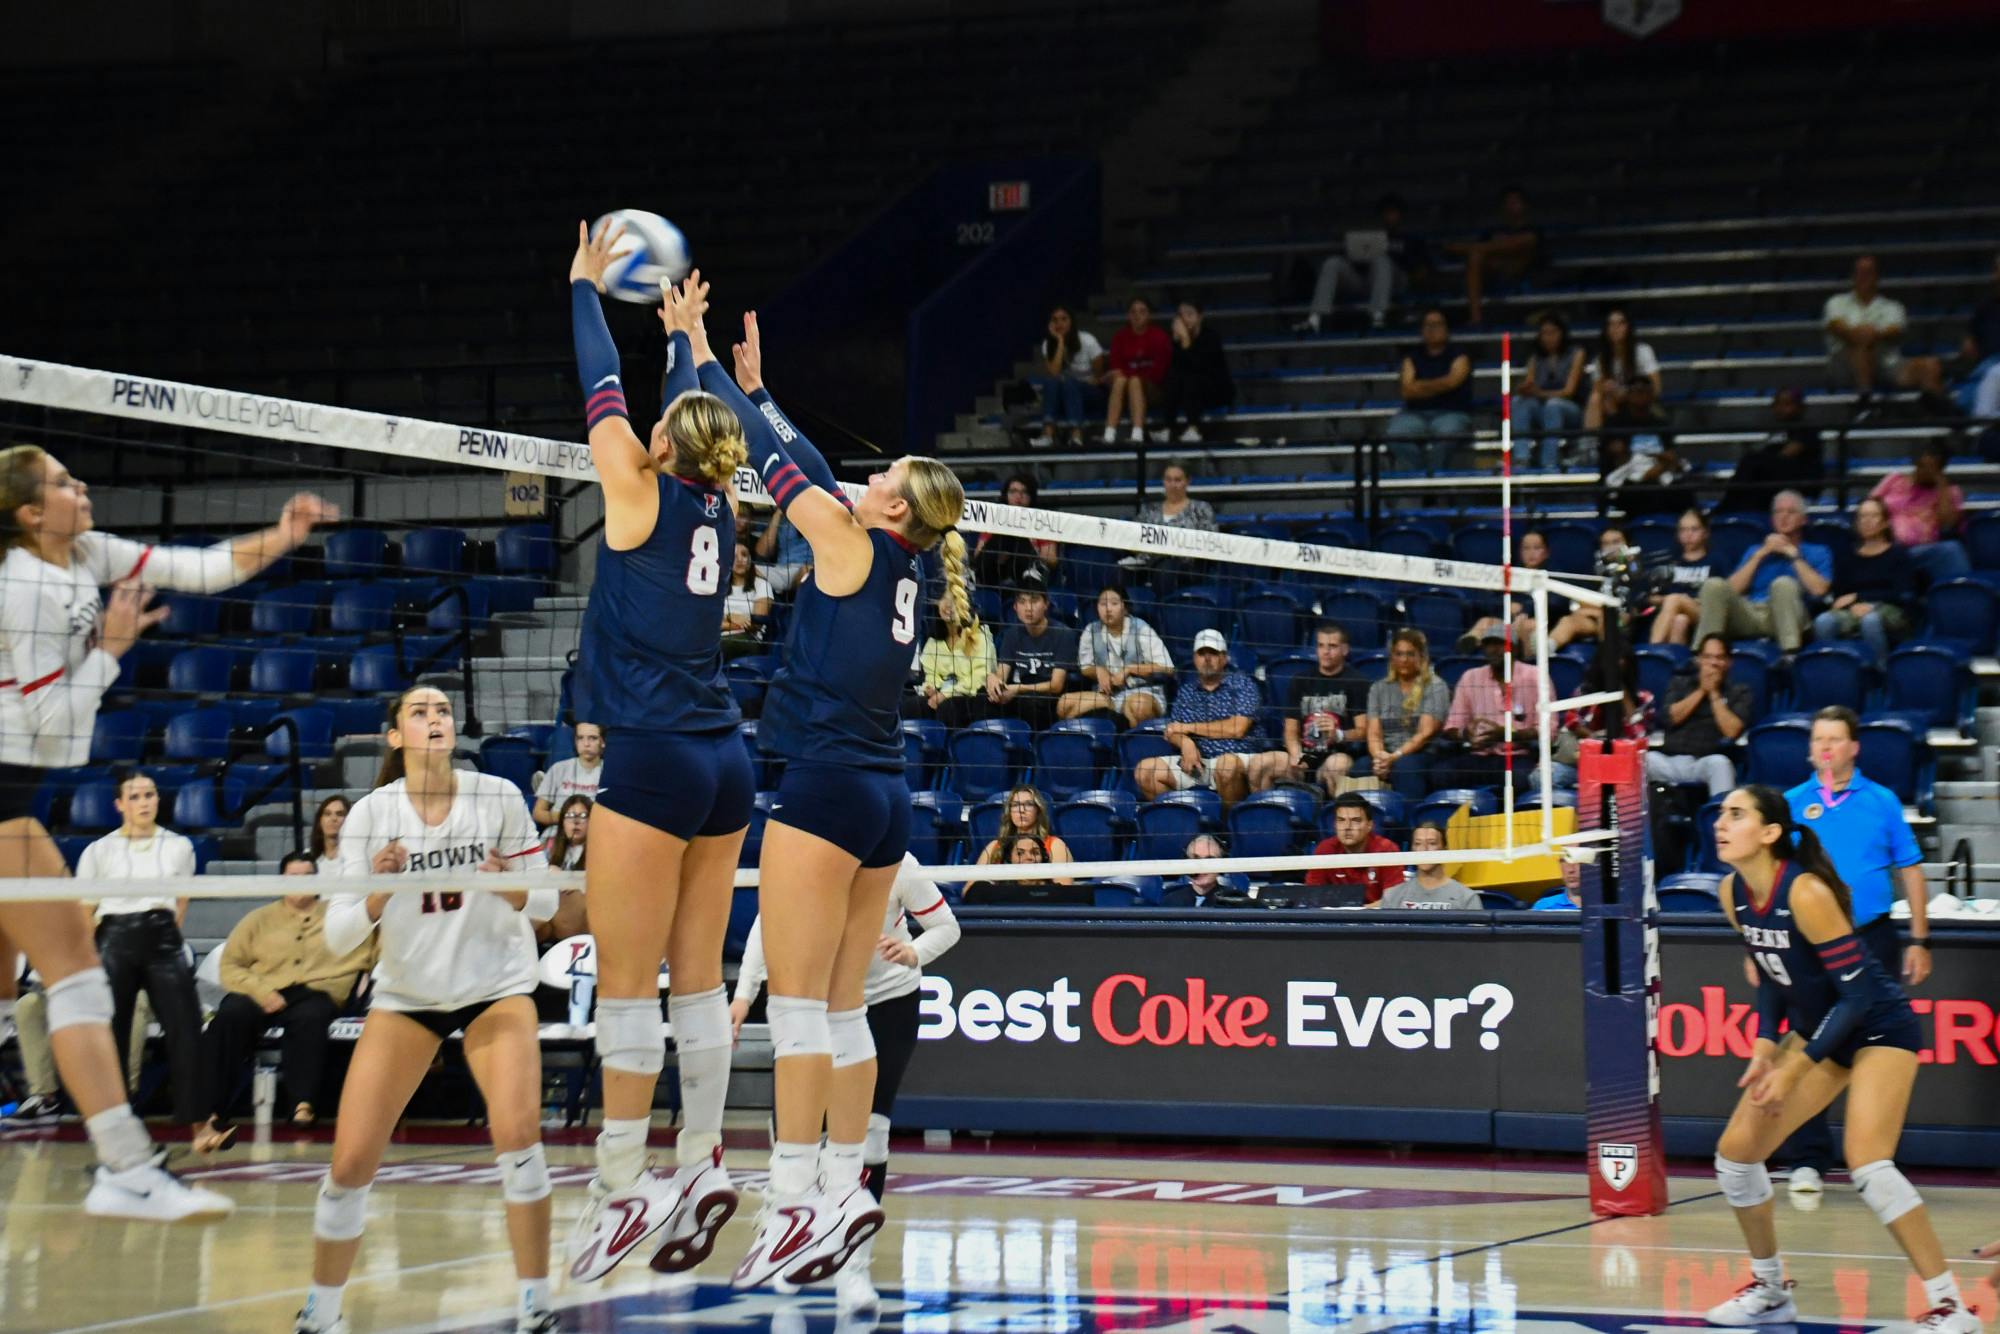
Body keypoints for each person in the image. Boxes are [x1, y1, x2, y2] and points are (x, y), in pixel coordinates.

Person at [705, 298, 965, 1290]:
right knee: (844, 1005)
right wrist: (763, 386)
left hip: (819, 784)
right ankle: (848, 1190)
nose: (867, 475)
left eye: (883, 475)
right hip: (881, 794)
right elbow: (810, 468)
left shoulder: (846, 540)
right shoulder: (889, 554)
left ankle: (788, 1206)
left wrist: (700, 363)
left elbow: (781, 474)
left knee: (800, 1009)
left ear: (895, 505)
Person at [0, 441, 327, 1222]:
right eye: (63, 483)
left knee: (62, 972)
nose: (83, 487)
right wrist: (113, 648)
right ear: (29, 513)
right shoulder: (24, 586)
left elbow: (202, 569)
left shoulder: (84, 550)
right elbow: (48, 719)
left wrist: (281, 536)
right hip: (8, 785)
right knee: (74, 972)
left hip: (15, 792)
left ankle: (123, 1166)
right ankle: (122, 1166)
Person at [561, 248, 755, 1287]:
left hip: (653, 757)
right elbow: (685, 414)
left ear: (663, 441)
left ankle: (619, 1187)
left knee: (626, 987)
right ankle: (700, 1158)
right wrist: (682, 337)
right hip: (723, 756)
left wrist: (584, 290)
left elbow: (598, 386)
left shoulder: (633, 499)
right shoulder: (716, 505)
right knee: (698, 978)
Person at [296, 686, 560, 1334]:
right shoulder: (369, 816)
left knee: (519, 1140)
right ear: (395, 737)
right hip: (410, 996)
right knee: (349, 1162)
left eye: (443, 709)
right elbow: (337, 938)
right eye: (420, 711)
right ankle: (321, 1313)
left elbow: (549, 906)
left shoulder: (496, 796)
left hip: (495, 987)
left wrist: (510, 880)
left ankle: (534, 1305)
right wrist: (379, 894)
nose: (435, 718)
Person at [1702, 785, 1975, 1334]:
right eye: (1721, 815)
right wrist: (1762, 1043)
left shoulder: (1805, 892)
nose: (1721, 824)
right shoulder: (1732, 893)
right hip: (1820, 1028)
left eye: (1737, 815)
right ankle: (1772, 1290)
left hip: (1877, 1025)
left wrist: (1795, 1069)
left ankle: (1951, 1308)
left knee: (1869, 1164)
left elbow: (1856, 997)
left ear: (1772, 832)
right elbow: (1774, 975)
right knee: (1736, 1159)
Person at [730, 851, 959, 1310]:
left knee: (870, 1134)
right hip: (815, 1000)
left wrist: (915, 952)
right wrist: (743, 994)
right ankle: (793, 1245)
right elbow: (767, 923)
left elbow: (947, 927)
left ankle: (855, 1266)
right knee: (795, 1130)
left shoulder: (898, 863)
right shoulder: (811, 849)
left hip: (887, 1003)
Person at [1775, 706, 1933, 1198]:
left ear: (1854, 747)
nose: (1825, 747)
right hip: (1810, 942)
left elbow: (1909, 870)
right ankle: (1808, 1161)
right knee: (1810, 1039)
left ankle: (1874, 1159)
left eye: (1835, 739)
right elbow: (1775, 876)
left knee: (1875, 1042)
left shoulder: (1881, 800)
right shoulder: (1792, 802)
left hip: (1872, 937)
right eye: (1818, 739)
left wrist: (1920, 938)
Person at [193, 855, 374, 1152]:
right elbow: (231, 965)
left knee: (310, 1017)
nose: (300, 882)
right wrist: (260, 990)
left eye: (307, 875)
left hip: (318, 989)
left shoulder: (337, 915)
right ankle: (213, 1109)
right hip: (265, 988)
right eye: (293, 875)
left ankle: (303, 1104)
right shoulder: (258, 919)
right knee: (231, 1015)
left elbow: (369, 946)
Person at [80, 773, 207, 1145]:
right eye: (135, 796)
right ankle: (114, 1129)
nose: (144, 802)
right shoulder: (98, 851)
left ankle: (200, 1125)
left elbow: (180, 904)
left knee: (186, 1028)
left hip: (162, 937)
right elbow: (86, 912)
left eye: (150, 794)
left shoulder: (178, 846)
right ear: (120, 804)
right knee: (111, 1036)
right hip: (113, 938)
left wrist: (166, 938)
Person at [1133, 630, 1263, 805]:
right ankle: (1183, 826)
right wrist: (1186, 743)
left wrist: (1188, 729)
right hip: (1196, 763)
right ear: (1195, 659)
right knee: (1145, 770)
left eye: (1213, 653)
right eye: (1202, 653)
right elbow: (1173, 730)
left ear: (1224, 658)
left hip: (1236, 758)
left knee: (1227, 765)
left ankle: (1224, 830)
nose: (1207, 658)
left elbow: (1237, 729)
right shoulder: (1186, 691)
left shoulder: (1243, 684)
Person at [1694, 490, 1832, 652]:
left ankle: (1790, 654)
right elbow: (1731, 589)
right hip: (1752, 613)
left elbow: (1820, 590)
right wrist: (1760, 555)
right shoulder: (1755, 550)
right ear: (1772, 519)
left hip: (1790, 616)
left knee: (1783, 584)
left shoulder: (1818, 551)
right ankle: (1700, 654)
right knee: (1713, 585)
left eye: (1791, 512)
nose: (1784, 517)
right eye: (1778, 512)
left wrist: (1793, 555)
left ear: (1803, 519)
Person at [1250, 620, 1372, 797]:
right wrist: (1295, 754)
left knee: (1337, 767)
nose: (1326, 651)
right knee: (1259, 764)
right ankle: (1267, 815)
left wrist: (1339, 734)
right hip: (1303, 756)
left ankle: (1332, 820)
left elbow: (1363, 731)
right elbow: (1291, 729)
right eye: (1321, 645)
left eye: (1332, 646)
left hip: (1337, 754)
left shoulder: (1358, 682)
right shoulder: (1300, 681)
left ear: (1345, 650)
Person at [1822, 253, 1953, 416]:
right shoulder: (1836, 302)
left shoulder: (1892, 307)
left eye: (1869, 272)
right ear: (1853, 276)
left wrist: (1869, 334)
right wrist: (1867, 335)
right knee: (1861, 347)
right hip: (1846, 367)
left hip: (1885, 364)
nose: (1864, 277)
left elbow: (1895, 331)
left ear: (1877, 276)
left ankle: (1939, 414)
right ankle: (1866, 401)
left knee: (1930, 364)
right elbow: (1837, 327)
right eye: (1860, 272)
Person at [1296, 192, 1432, 333]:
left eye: (1393, 212)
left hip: (1396, 282)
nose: (1389, 217)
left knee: (1382, 260)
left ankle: (1378, 316)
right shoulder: (1369, 236)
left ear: (1401, 215)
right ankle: (1315, 318)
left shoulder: (1411, 239)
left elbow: (1422, 268)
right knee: (1333, 262)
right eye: (1386, 213)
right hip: (1366, 281)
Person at [1531, 646, 1651, 795]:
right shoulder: (1585, 692)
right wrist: (1593, 739)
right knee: (1540, 776)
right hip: (1582, 762)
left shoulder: (1643, 698)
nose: (1613, 666)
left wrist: (1623, 694)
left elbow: (1639, 737)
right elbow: (1571, 720)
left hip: (1620, 767)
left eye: (1619, 660)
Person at [1644, 635, 1753, 798]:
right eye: (1707, 657)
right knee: (1643, 760)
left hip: (1704, 762)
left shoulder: (1739, 691)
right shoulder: (1679, 683)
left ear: (1729, 662)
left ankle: (1721, 819)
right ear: (1698, 660)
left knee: (1720, 764)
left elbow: (1732, 731)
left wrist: (1714, 694)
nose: (1713, 663)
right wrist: (1702, 690)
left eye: (1719, 657)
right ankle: (1635, 821)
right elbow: (1670, 717)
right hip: (1668, 760)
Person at [1811, 498, 1915, 664]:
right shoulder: (1846, 556)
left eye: (1873, 516)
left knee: (1870, 620)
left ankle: (1881, 672)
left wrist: (1862, 599)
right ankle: (1834, 671)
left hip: (1889, 608)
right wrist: (1852, 604)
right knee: (1823, 621)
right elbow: (1840, 594)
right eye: (1863, 517)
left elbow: (1902, 592)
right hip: (1853, 609)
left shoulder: (1898, 555)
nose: (1867, 521)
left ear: (1885, 522)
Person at [1440, 628, 1545, 789]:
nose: (1494, 649)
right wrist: (1467, 733)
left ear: (1515, 648)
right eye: (1488, 644)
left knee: (1521, 779)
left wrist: (1508, 735)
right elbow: (1451, 728)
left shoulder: (1536, 676)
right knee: (1442, 773)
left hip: (1518, 755)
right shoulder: (1470, 677)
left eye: (1500, 644)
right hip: (1479, 755)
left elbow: (1547, 730)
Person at [1060, 584, 1173, 728]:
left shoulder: (1141, 628)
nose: (1108, 609)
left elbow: (1167, 668)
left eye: (1114, 603)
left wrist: (1130, 669)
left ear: (1125, 608)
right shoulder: (1091, 631)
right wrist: (1098, 670)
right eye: (1102, 604)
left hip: (1143, 691)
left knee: (1139, 706)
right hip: (1108, 695)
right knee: (1065, 704)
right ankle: (1111, 725)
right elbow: (1085, 666)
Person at [1868, 441, 1972, 588]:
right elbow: (1868, 507)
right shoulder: (1894, 480)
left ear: (1940, 469)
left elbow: (1948, 523)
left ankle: (1962, 597)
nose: (1924, 471)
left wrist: (1940, 483)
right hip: (1886, 546)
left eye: (1931, 468)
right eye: (1921, 465)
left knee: (1952, 549)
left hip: (1920, 550)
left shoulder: (1949, 492)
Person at [985, 567, 1077, 731]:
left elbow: (1056, 685)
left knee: (1030, 703)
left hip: (1048, 697)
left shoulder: (1063, 634)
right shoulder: (1011, 634)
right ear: (1015, 607)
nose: (1028, 608)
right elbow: (1002, 674)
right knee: (985, 699)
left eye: (1034, 601)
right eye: (1022, 602)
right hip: (1020, 695)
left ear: (1046, 604)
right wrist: (993, 680)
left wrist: (1018, 689)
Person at [1384, 306, 1473, 472]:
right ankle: (1420, 474)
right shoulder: (1412, 357)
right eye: (1428, 325)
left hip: (1451, 412)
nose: (1432, 329)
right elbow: (1406, 390)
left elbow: (1453, 382)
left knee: (1448, 434)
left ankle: (1434, 478)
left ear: (1446, 328)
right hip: (1414, 414)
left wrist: (1420, 385)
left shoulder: (1459, 355)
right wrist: (1441, 384)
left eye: (1437, 324)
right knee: (1395, 433)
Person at [1366, 628, 1451, 799]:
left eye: (1410, 654)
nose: (1404, 659)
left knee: (1406, 766)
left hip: (1424, 754)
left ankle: (1408, 821)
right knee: (1359, 767)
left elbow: (1425, 734)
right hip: (1386, 754)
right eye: (1399, 654)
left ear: (1421, 657)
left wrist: (1395, 757)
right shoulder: (1378, 688)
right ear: (1392, 657)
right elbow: (1373, 732)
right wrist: (1379, 758)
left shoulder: (1436, 686)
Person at [1717, 389, 1825, 516]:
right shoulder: (1777, 431)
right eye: (1777, 404)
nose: (1780, 408)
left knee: (1751, 461)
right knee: (1752, 476)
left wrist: (1759, 460)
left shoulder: (1806, 429)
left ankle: (1725, 507)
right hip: (1775, 479)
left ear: (1800, 407)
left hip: (1800, 479)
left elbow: (1786, 455)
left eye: (1787, 404)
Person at [1445, 184, 1540, 326]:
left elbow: (1516, 245)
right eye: (1507, 202)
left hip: (1521, 277)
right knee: (1475, 257)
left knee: (1479, 252)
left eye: (1515, 202)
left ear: (1525, 205)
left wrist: (1462, 247)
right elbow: (1477, 251)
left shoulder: (1533, 231)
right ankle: (1476, 318)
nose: (1511, 206)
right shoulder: (1491, 232)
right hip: (1492, 278)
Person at [905, 599, 994, 730]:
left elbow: (978, 680)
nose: (948, 605)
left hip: (972, 698)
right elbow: (931, 675)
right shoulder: (933, 642)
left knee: (949, 708)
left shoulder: (979, 638)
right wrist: (931, 688)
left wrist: (945, 695)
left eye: (954, 599)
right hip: (942, 696)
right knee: (911, 706)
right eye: (943, 599)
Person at [1514, 313, 1586, 470]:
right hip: (1543, 409)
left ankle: (1549, 462)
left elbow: (1569, 391)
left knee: (1553, 405)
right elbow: (1530, 384)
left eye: (1552, 332)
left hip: (1571, 410)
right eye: (1544, 333)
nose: (1548, 337)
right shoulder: (1535, 357)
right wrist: (1524, 389)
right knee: (1519, 402)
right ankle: (1521, 458)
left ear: (1562, 333)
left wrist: (1540, 394)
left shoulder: (1576, 353)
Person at [1028, 305, 1106, 447]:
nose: (1059, 324)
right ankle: (1048, 435)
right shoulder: (1048, 344)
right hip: (1066, 395)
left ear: (1072, 321)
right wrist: (1060, 342)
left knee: (1070, 383)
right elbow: (1054, 373)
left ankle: (1076, 435)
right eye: (1055, 320)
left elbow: (1099, 376)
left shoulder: (1087, 340)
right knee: (1051, 382)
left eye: (1064, 319)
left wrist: (1082, 382)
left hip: (1090, 394)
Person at [969, 473, 1060, 594]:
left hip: (1026, 571)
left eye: (1024, 492)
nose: (1018, 496)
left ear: (1031, 496)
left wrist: (1032, 552)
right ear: (1006, 495)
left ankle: (1031, 569)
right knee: (1002, 534)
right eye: (1013, 491)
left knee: (1017, 536)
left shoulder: (1042, 520)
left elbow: (1052, 559)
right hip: (995, 571)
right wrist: (999, 555)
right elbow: (978, 554)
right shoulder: (994, 519)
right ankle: (973, 576)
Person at [1157, 301, 1234, 443]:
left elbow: (1200, 367)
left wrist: (1186, 341)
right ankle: (1167, 428)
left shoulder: (1211, 337)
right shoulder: (1176, 339)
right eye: (1181, 315)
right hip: (1188, 391)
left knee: (1192, 377)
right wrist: (1176, 343)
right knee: (1174, 376)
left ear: (1200, 317)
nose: (1185, 319)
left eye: (1189, 314)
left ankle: (1194, 428)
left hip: (1215, 389)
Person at [1304, 793, 1405, 901]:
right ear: (1335, 824)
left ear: (1369, 825)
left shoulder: (1386, 850)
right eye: (1341, 820)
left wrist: (1358, 913)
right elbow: (1312, 895)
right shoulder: (1325, 850)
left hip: (1375, 916)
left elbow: (1393, 900)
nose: (1347, 827)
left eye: (1355, 820)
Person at [1582, 306, 1662, 437]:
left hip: (1639, 402)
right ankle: (1590, 445)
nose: (1615, 328)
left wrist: (1627, 392)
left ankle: (1619, 440)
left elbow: (1657, 388)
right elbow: (1596, 391)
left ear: (1628, 327)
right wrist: (1607, 388)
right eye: (1611, 324)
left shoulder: (1642, 351)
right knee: (1597, 399)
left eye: (1620, 323)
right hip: (1612, 404)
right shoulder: (1601, 359)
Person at [1104, 297, 1172, 444]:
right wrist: (1124, 375)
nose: (1137, 315)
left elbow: (1158, 373)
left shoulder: (1159, 336)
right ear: (1128, 315)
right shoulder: (1120, 337)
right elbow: (1115, 369)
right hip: (1125, 389)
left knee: (1134, 381)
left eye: (1142, 311)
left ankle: (1137, 433)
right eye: (1133, 312)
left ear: (1149, 315)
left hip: (1154, 389)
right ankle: (1109, 433)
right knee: (1120, 381)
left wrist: (1129, 374)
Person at [973, 784, 1074, 882]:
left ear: (1038, 811)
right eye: (1016, 805)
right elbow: (970, 888)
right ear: (1009, 811)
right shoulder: (994, 847)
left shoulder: (1055, 845)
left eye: (1028, 804)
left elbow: (1063, 887)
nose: (1021, 810)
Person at [1648, 508, 1714, 646]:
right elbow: (1649, 597)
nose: (1688, 535)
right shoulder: (1669, 561)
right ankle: (1672, 661)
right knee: (1680, 620)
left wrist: (1681, 601)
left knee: (1675, 599)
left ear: (1705, 532)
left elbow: (1722, 596)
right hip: (1672, 611)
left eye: (1694, 529)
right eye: (1683, 530)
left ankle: (1653, 647)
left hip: (1704, 613)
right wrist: (1666, 600)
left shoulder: (1716, 560)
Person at [1378, 823, 1479, 910]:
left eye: (1432, 843)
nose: (1424, 849)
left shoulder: (1466, 898)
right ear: (1412, 849)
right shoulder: (1392, 896)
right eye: (1418, 843)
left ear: (1445, 849)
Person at [532, 720, 604, 828]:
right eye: (580, 738)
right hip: (558, 833)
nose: (586, 744)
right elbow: (538, 813)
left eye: (593, 738)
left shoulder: (611, 772)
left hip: (596, 833)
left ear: (603, 742)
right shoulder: (559, 768)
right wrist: (568, 818)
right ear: (575, 742)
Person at [1161, 833, 1248, 906]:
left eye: (1209, 859)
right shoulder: (1170, 900)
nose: (1201, 866)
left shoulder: (1235, 902)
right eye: (1195, 858)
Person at [722, 537, 773, 654]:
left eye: (744, 555)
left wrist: (725, 619)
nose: (740, 559)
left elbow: (756, 623)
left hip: (749, 639)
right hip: (717, 637)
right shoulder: (720, 587)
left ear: (751, 560)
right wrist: (733, 617)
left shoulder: (762, 585)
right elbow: (711, 622)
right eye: (734, 556)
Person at [754, 511, 813, 596]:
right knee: (749, 569)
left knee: (806, 571)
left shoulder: (819, 520)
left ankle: (792, 600)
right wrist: (777, 515)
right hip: (780, 570)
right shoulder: (784, 520)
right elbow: (762, 553)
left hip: (803, 571)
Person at [547, 793, 591, 871]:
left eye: (583, 816)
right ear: (562, 822)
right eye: (570, 815)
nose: (576, 821)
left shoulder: (598, 853)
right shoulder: (550, 851)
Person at [310, 794, 350, 875]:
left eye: (340, 814)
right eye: (327, 814)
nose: (333, 818)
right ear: (319, 821)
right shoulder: (308, 859)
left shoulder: (357, 858)